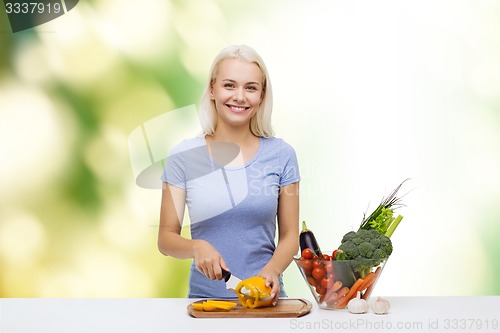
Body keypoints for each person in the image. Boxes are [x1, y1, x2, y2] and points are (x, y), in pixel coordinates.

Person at [158, 44, 300, 305]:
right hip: (206, 304)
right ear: (212, 89)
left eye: (250, 87)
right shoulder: (184, 156)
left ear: (261, 96)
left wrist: (271, 272)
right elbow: (166, 239)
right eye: (229, 85)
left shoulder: (281, 155)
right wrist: (197, 247)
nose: (240, 96)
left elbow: (290, 236)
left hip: (268, 301)